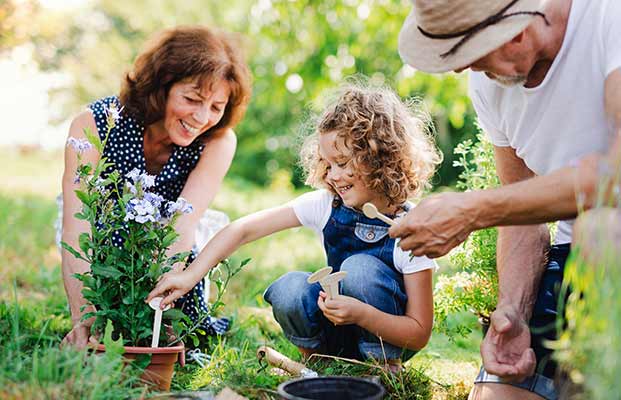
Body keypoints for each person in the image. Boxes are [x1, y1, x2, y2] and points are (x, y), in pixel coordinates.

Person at [396, 0, 621, 399]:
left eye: (470, 54)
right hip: (574, 265)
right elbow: (523, 215)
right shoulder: (490, 86)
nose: (461, 69)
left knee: (600, 228)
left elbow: (613, 180)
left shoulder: (609, 18)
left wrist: (471, 210)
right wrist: (514, 311)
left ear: (515, 31)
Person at [147, 84, 442, 368]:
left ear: (379, 158)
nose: (333, 175)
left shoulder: (410, 230)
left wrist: (362, 314)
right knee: (290, 288)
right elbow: (243, 230)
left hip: (385, 335)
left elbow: (418, 333)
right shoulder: (327, 204)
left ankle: (383, 365)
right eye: (327, 164)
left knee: (361, 270)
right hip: (336, 326)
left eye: (342, 163)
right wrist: (190, 275)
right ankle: (315, 358)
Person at [60, 25, 252, 348]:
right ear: (162, 87)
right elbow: (76, 227)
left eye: (216, 107)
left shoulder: (218, 141)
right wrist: (84, 318)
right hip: (103, 244)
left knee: (185, 331)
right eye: (192, 99)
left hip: (165, 247)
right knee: (103, 319)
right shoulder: (92, 124)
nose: (202, 117)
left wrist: (158, 304)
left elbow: (183, 222)